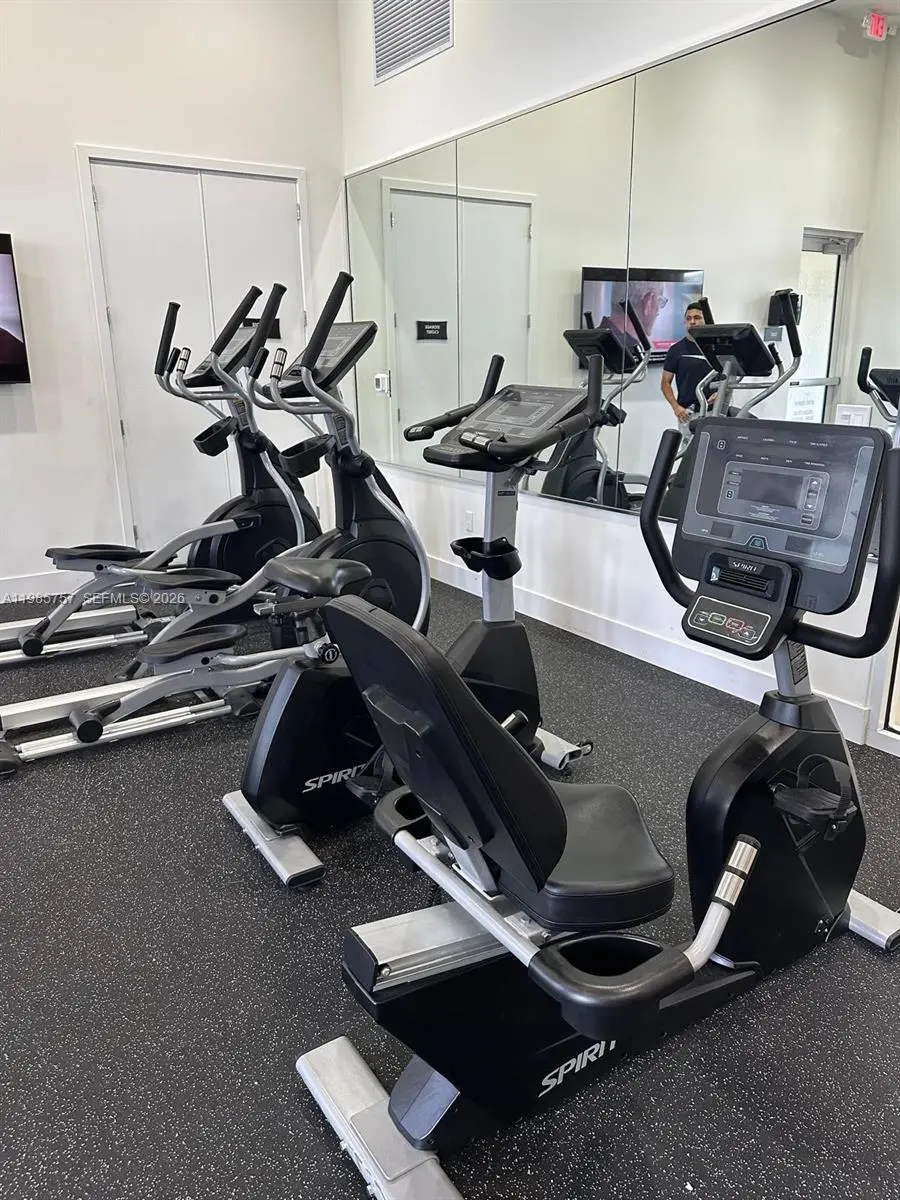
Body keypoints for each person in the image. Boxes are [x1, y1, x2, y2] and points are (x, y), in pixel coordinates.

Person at [661, 302, 715, 423]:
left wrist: (721, 394)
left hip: (714, 411)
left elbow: (729, 376)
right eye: (688, 318)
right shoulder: (676, 350)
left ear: (706, 321)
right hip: (687, 413)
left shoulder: (716, 348)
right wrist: (676, 407)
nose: (692, 322)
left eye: (697, 318)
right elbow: (665, 383)